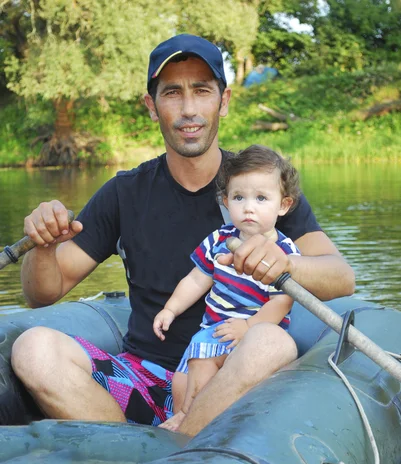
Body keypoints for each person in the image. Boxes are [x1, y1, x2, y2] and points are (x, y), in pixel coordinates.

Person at [11, 34, 355, 437]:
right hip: (143, 376)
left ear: (223, 102)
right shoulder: (124, 193)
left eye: (202, 91)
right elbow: (43, 294)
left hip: (228, 375)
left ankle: (181, 436)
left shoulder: (259, 191)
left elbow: (341, 277)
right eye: (172, 92)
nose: (189, 109)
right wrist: (45, 246)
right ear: (151, 107)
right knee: (33, 349)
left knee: (271, 344)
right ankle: (135, 450)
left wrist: (286, 263)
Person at [154, 145, 301, 431]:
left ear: (283, 205)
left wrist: (248, 326)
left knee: (204, 366)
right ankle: (185, 415)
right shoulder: (219, 239)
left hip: (250, 335)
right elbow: (197, 279)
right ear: (225, 201)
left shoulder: (283, 252)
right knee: (181, 379)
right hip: (213, 329)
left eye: (261, 198)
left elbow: (281, 302)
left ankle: (188, 420)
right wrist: (170, 309)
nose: (248, 207)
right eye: (238, 197)